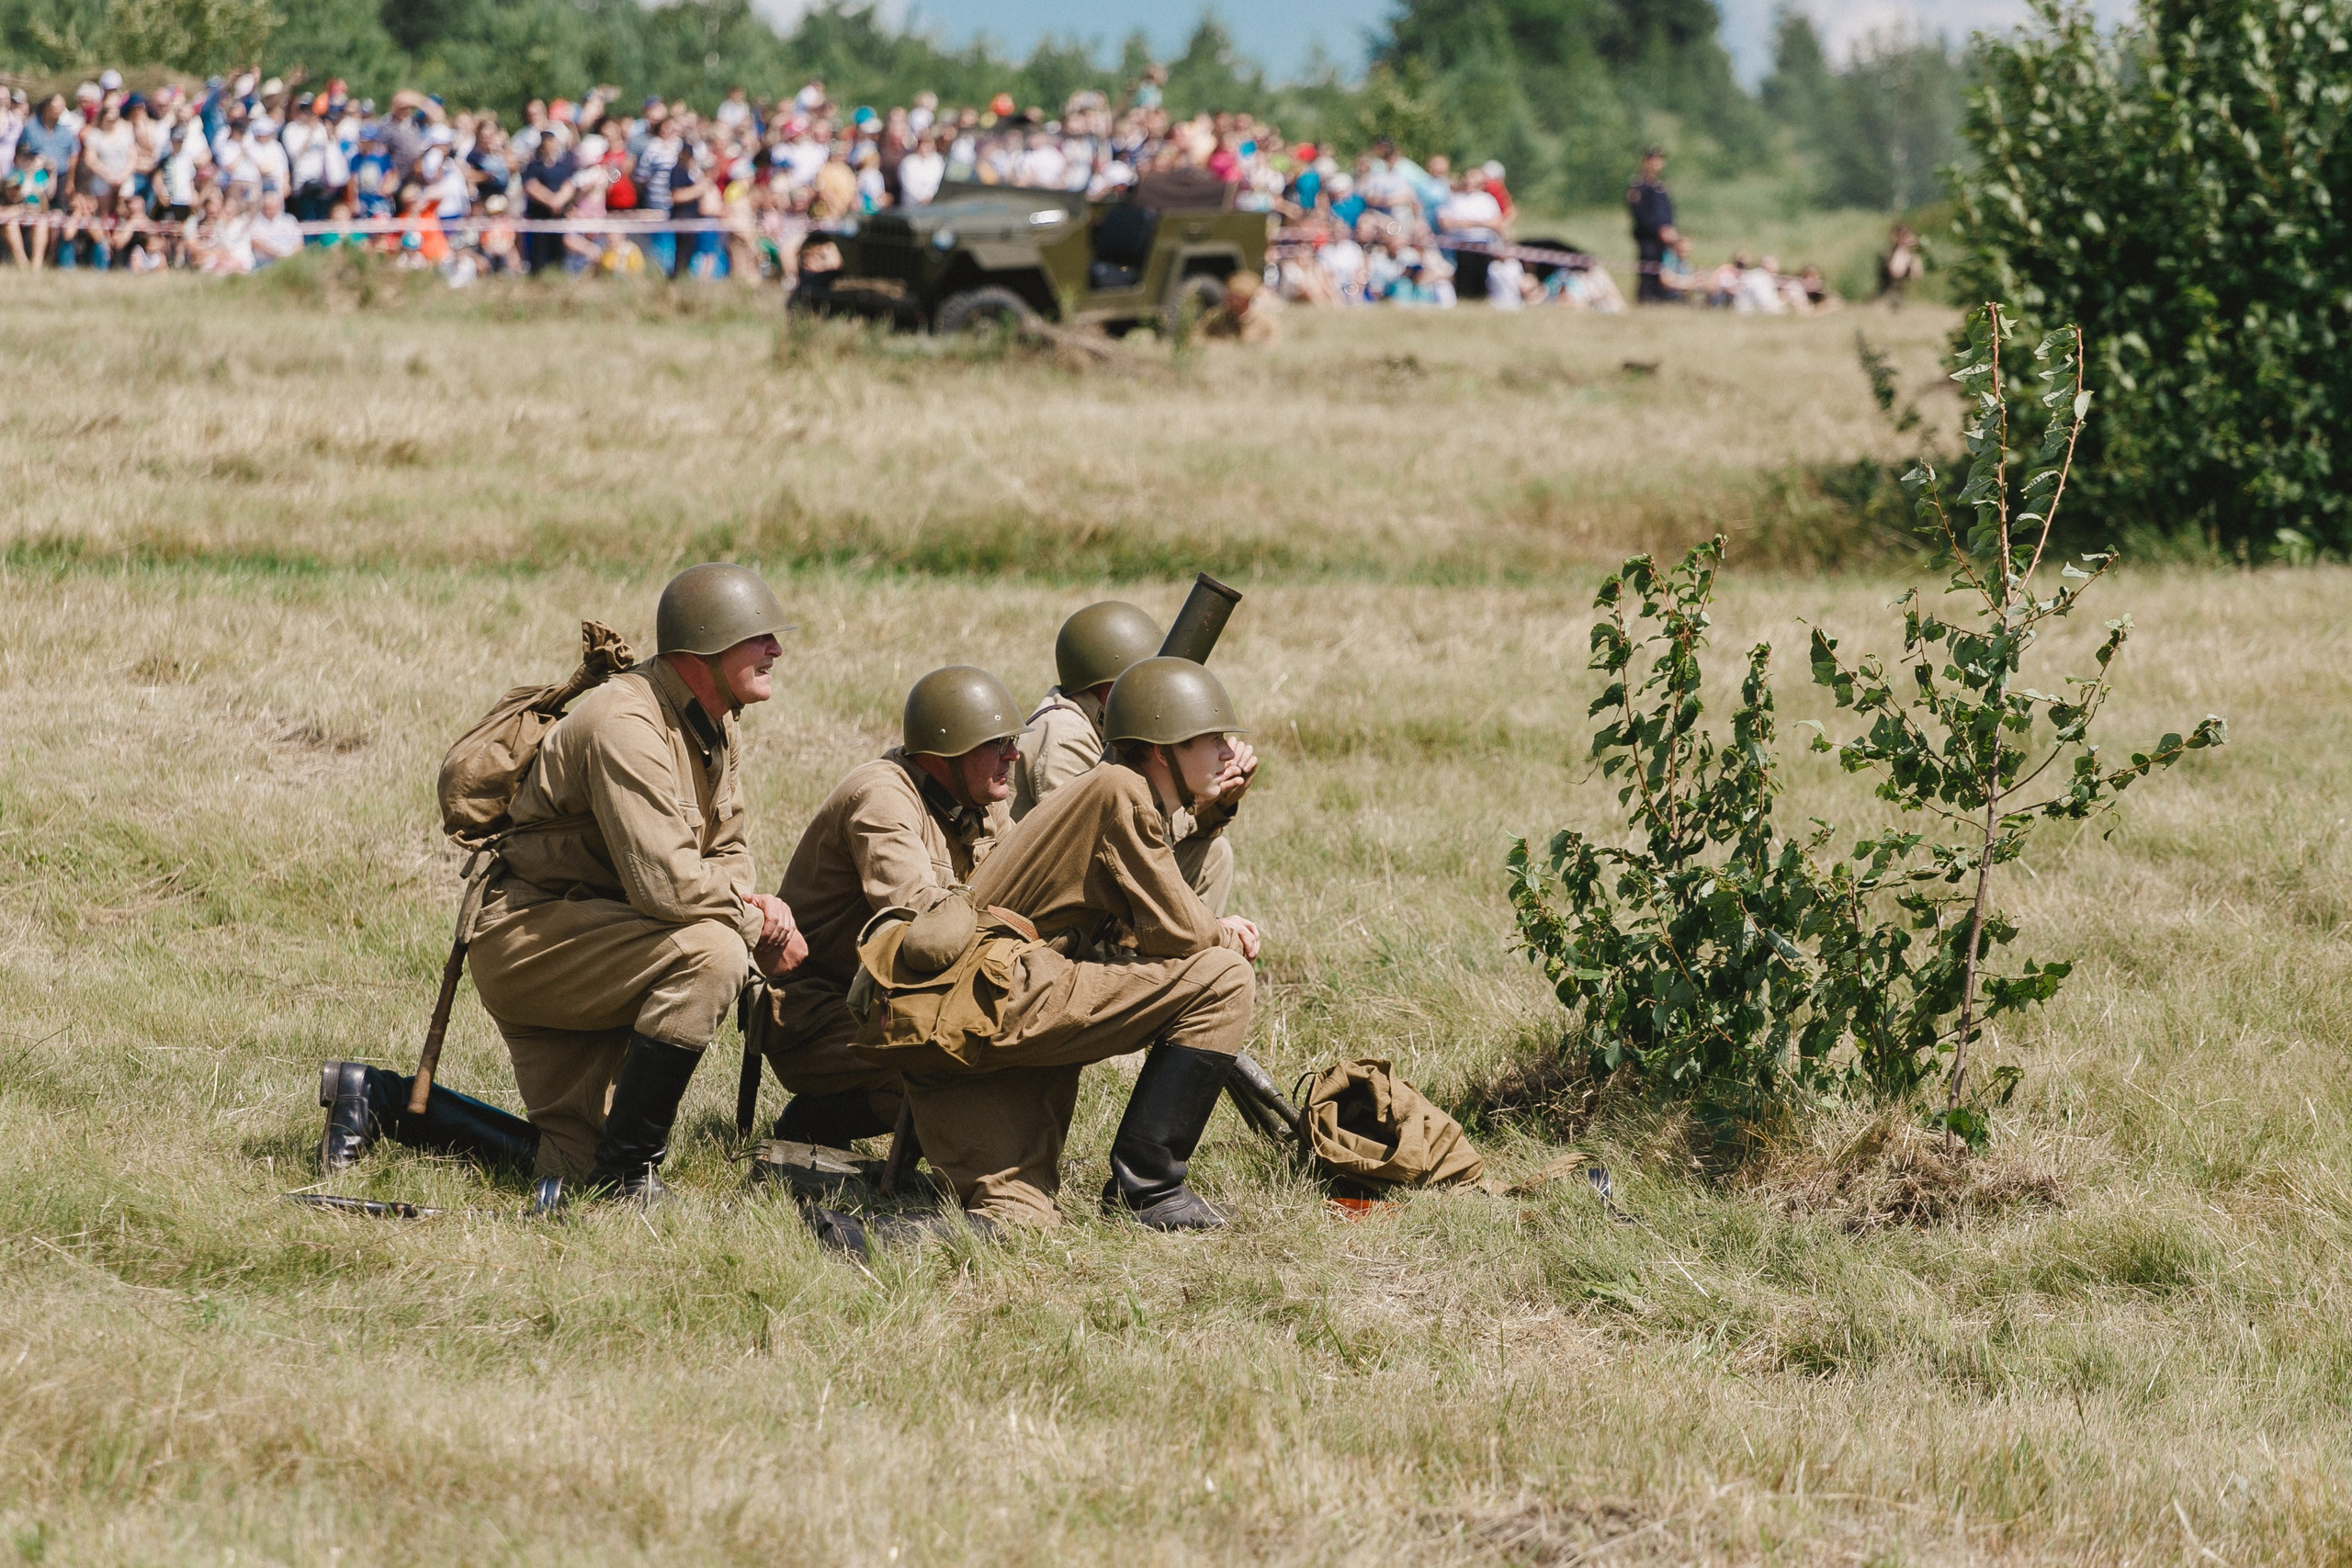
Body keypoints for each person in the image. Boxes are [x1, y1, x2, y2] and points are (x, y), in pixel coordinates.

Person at [316, 564, 805, 1206]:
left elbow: (727, 846)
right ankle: (629, 1179)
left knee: (567, 1162)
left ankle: (374, 1095)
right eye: (758, 636)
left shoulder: (715, 724)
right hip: (532, 937)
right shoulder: (624, 725)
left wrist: (755, 905)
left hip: (602, 932)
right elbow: (668, 886)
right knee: (713, 953)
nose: (776, 649)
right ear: (704, 648)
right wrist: (755, 927)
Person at [861, 657, 1262, 1234]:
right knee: (1223, 978)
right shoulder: (1120, 788)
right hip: (996, 999)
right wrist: (1227, 932)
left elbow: (1136, 935)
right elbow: (1184, 932)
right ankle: (1151, 1189)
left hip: (963, 1023)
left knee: (1022, 1220)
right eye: (1211, 739)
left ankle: (860, 1233)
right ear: (1158, 750)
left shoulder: (1121, 795)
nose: (1230, 752)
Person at [758, 667, 1022, 1147]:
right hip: (814, 1012)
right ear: (947, 752)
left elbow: (1018, 890)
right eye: (998, 743)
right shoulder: (882, 797)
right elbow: (925, 922)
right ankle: (816, 1123)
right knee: (956, 1071)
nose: (1013, 755)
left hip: (888, 998)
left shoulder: (981, 801)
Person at [1011, 602, 1245, 914]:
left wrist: (1220, 799)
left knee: (1213, 855)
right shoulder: (1065, 737)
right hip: (1052, 909)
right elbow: (1093, 850)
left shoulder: (1102, 723)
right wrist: (1197, 803)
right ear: (1112, 688)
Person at [1626, 146, 1677, 305]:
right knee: (1648, 268)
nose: (1656, 164)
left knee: (1662, 269)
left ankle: (1659, 297)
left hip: (1664, 239)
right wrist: (1658, 230)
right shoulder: (1638, 186)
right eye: (1653, 160)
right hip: (1648, 237)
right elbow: (1640, 214)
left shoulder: (1660, 187)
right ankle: (1646, 299)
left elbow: (1668, 211)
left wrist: (1670, 228)